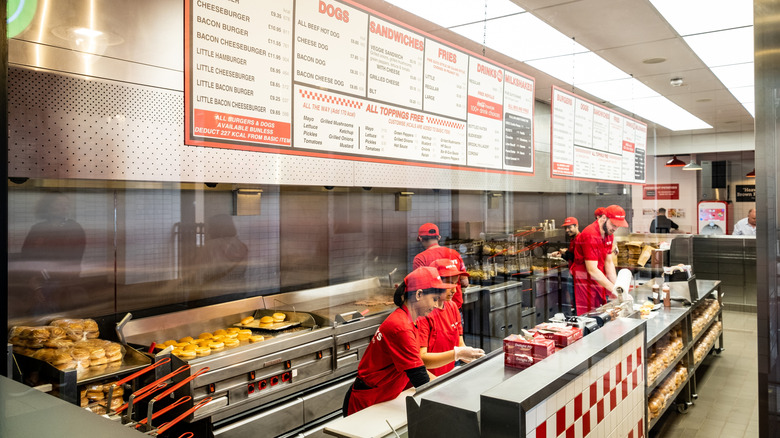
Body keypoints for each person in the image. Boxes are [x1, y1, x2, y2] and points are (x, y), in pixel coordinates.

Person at [343, 267, 454, 416]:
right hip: (367, 403)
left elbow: (418, 367)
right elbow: (420, 379)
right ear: (419, 294)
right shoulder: (401, 327)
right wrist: (450, 402)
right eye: (434, 299)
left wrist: (447, 387)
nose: (435, 305)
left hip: (385, 399)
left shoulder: (411, 321)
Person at [417, 259, 484, 376]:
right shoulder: (423, 314)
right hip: (429, 379)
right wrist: (457, 354)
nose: (454, 289)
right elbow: (421, 360)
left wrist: (475, 359)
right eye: (448, 284)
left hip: (448, 373)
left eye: (456, 283)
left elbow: (460, 344)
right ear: (435, 283)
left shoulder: (452, 306)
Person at [570, 205, 628, 315]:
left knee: (602, 314)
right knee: (589, 317)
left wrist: (618, 287)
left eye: (618, 226)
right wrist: (613, 289)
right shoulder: (590, 234)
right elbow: (591, 270)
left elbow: (608, 262)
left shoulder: (609, 234)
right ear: (604, 218)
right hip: (585, 282)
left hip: (598, 279)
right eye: (613, 225)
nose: (615, 229)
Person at [412, 223, 469, 309]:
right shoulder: (454, 253)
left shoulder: (420, 259)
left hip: (433, 310)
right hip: (455, 308)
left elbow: (420, 289)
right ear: (439, 237)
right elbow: (465, 283)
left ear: (420, 238)